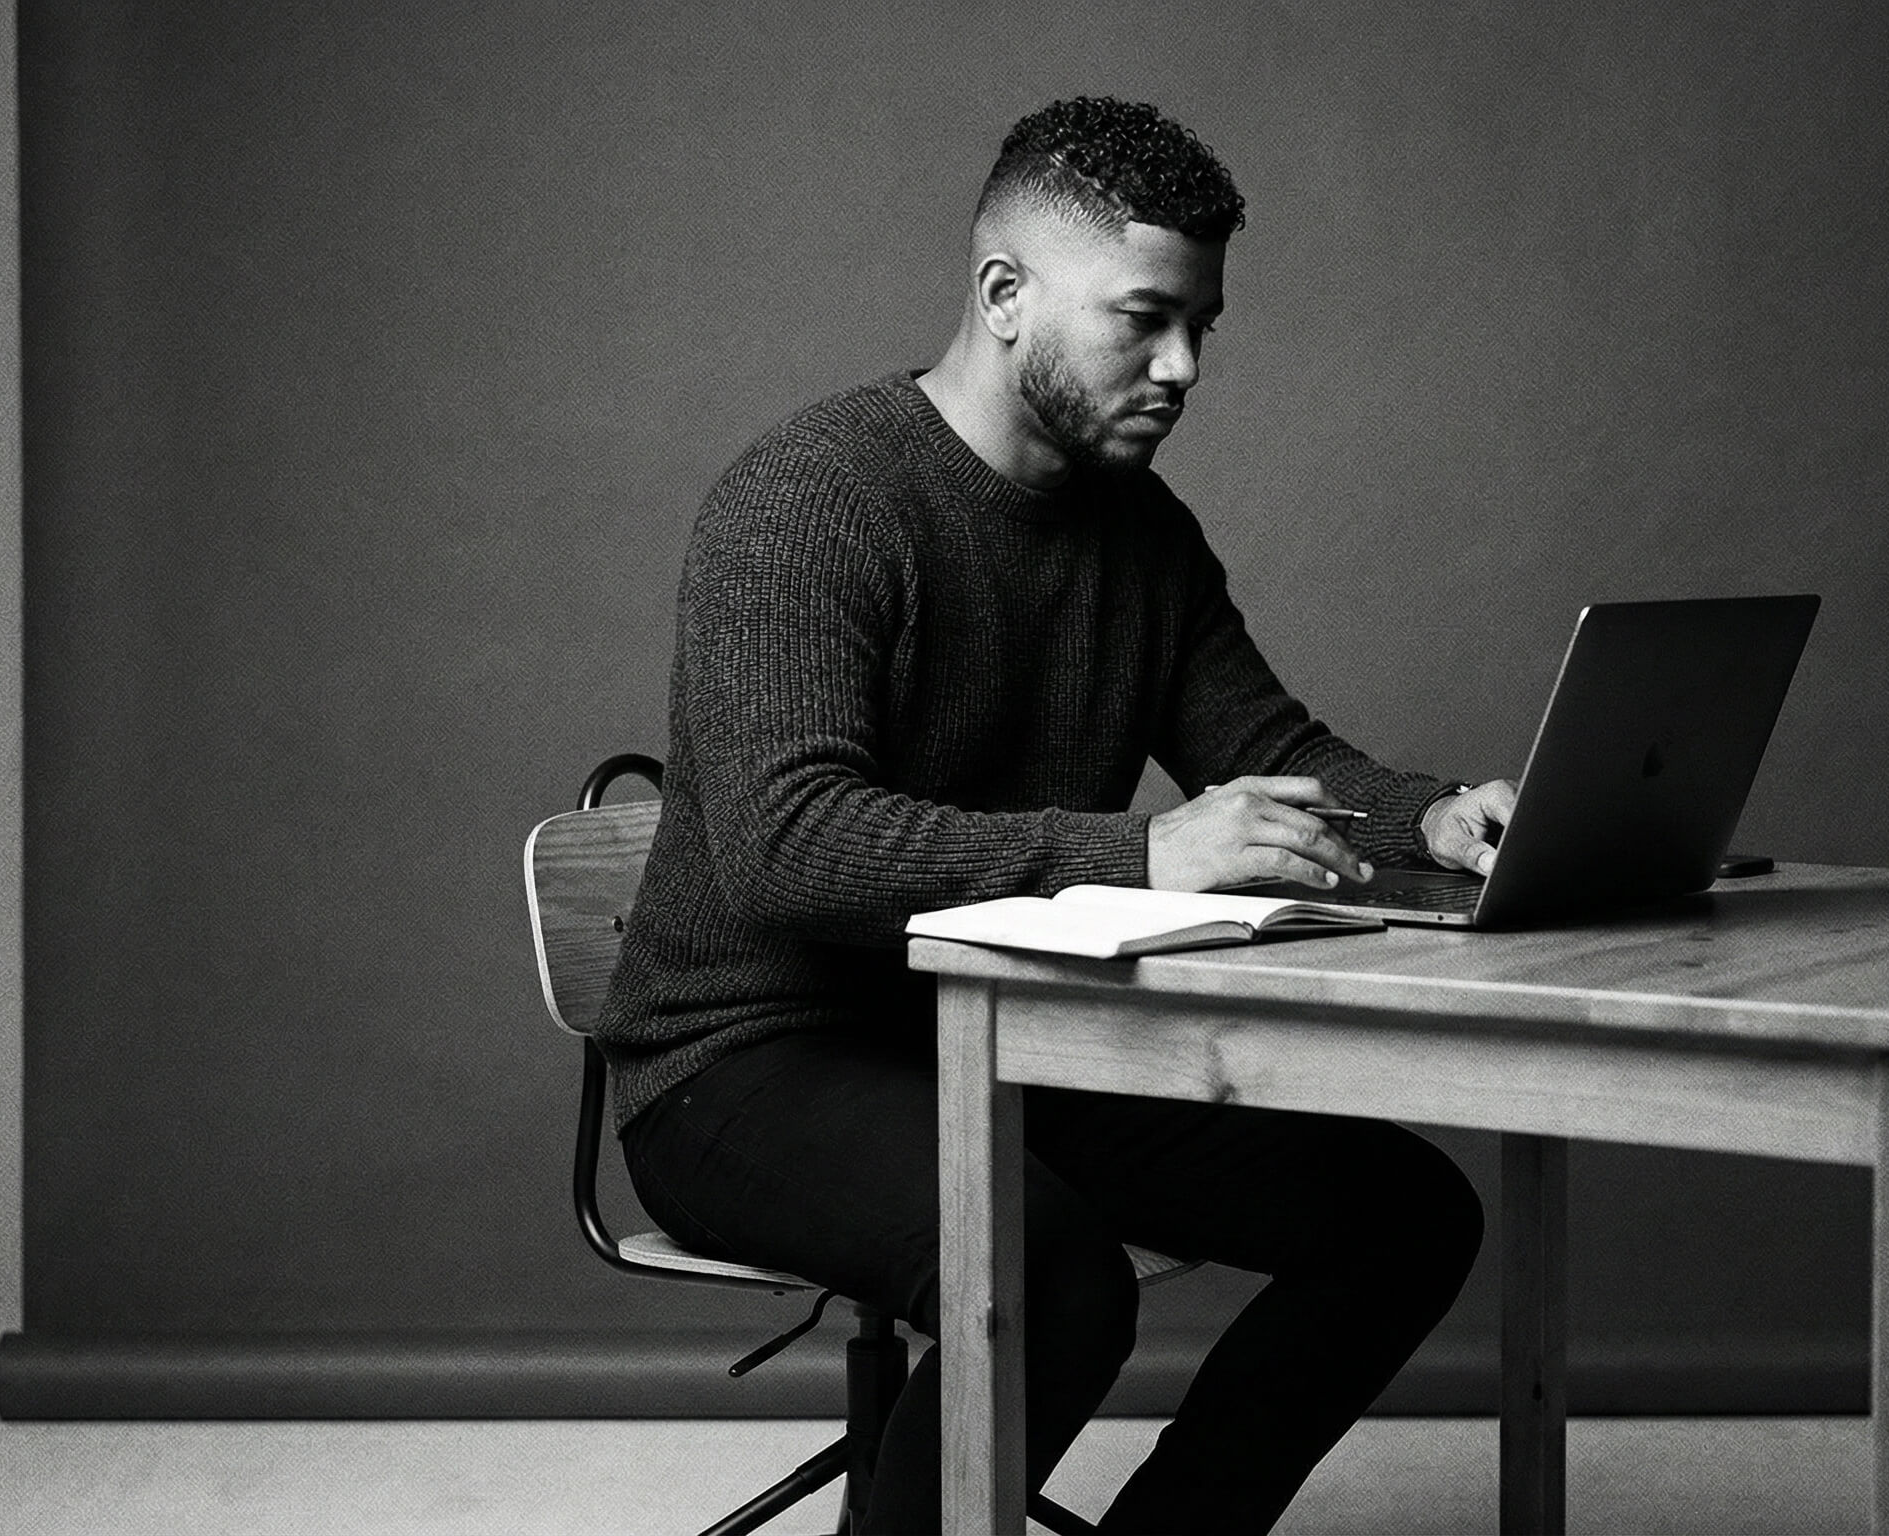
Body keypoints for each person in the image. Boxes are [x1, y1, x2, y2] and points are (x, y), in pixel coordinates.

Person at [599, 95, 1519, 1533]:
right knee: (1045, 1270)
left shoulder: (1139, 535)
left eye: (1203, 328)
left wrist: (1441, 817)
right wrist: (1140, 851)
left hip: (1006, 1032)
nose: (1183, 367)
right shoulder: (810, 499)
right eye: (1146, 319)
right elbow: (785, 850)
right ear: (1005, 295)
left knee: (1405, 1217)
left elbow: (1266, 746)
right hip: (745, 1058)